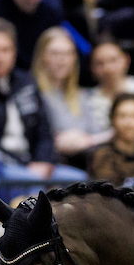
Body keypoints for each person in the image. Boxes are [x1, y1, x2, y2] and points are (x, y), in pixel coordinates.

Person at [0, 19, 85, 187]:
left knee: (81, 182)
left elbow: (44, 132)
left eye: (5, 50)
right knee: (32, 187)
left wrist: (42, 161)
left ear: (14, 52)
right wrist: (26, 166)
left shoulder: (26, 81)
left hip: (34, 166)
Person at [32, 26, 108, 167]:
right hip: (52, 165)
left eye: (68, 54)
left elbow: (97, 133)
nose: (62, 60)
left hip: (85, 162)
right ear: (42, 56)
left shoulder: (81, 96)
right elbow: (49, 141)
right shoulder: (33, 94)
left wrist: (85, 140)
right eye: (55, 53)